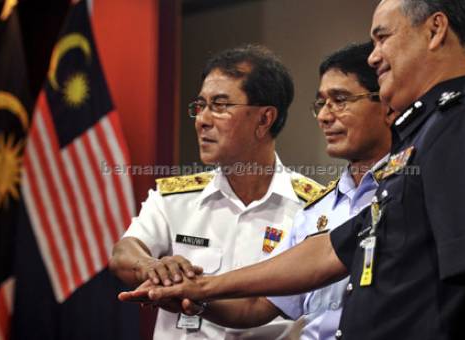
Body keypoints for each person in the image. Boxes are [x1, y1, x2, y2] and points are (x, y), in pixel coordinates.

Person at [123, 0, 465, 339]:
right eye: (321, 102)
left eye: (382, 37)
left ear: (436, 29)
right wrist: (203, 288)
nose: (375, 55)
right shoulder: (419, 143)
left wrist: (202, 287)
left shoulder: (459, 123)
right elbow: (331, 250)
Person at [142, 42, 393, 340]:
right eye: (321, 103)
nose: (325, 115)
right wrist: (192, 298)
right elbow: (257, 306)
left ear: (388, 103)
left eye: (340, 100)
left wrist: (202, 288)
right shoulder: (316, 210)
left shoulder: (407, 187)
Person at [109, 44, 325, 339]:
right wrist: (151, 266)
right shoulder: (176, 195)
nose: (202, 120)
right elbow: (123, 253)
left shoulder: (315, 207)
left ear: (264, 119)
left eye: (220, 106)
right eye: (200, 106)